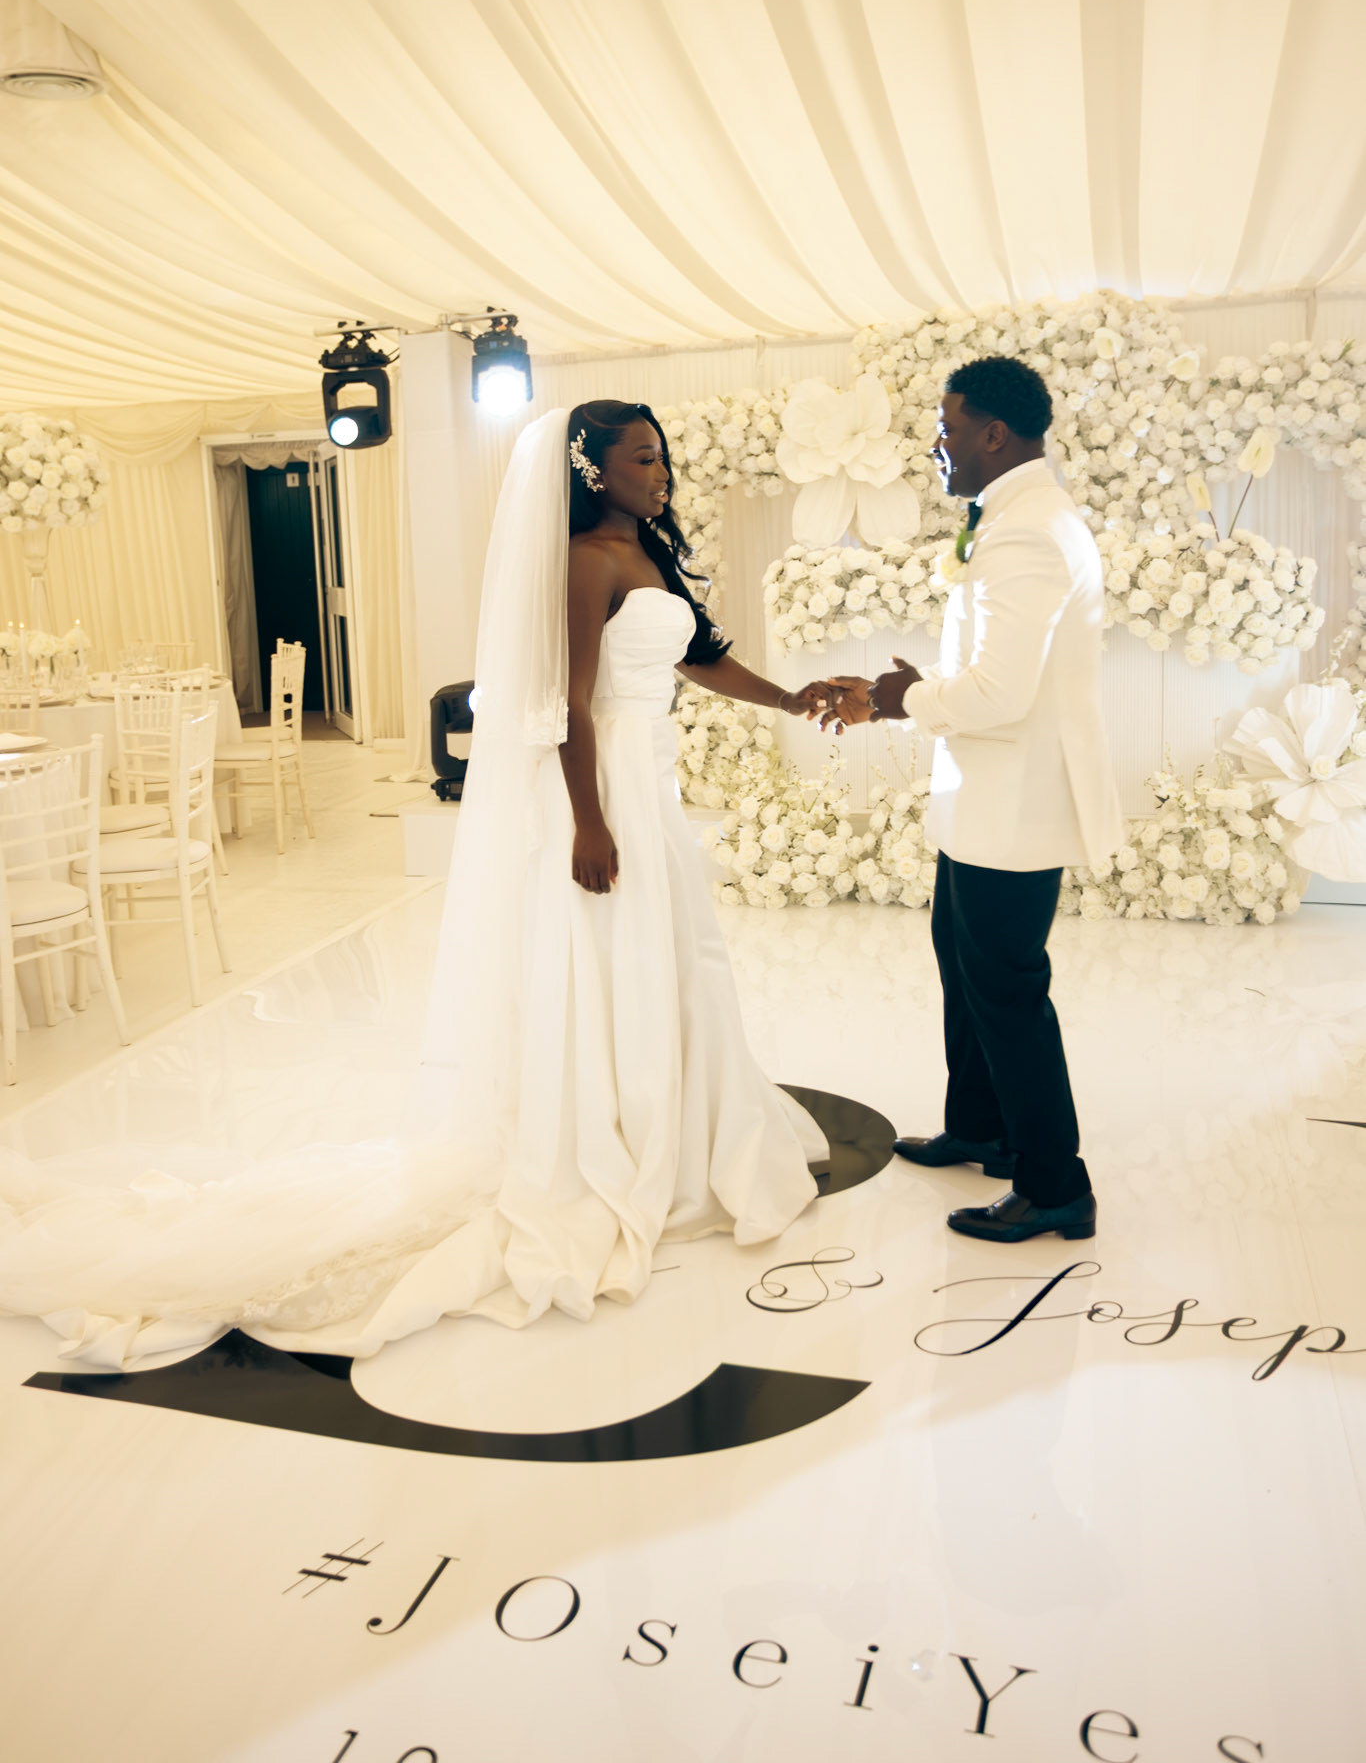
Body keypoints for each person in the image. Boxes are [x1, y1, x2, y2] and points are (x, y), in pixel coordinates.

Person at [0, 404, 829, 1365]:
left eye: (662, 455)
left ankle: (679, 1129)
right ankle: (614, 1136)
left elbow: (699, 658)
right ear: (592, 471)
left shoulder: (646, 550)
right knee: (618, 963)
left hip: (651, 782)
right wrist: (590, 820)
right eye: (643, 458)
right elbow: (567, 703)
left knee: (675, 959)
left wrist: (795, 698)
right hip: (605, 788)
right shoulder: (584, 562)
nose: (662, 472)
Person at [819, 356, 1122, 1244]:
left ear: (994, 433)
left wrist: (901, 698)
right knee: (962, 962)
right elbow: (997, 674)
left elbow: (1001, 696)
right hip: (985, 796)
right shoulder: (1016, 517)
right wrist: (922, 688)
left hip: (1015, 806)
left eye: (947, 429)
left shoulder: (1029, 533)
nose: (938, 445)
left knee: (1007, 991)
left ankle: (1054, 1185)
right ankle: (982, 1128)